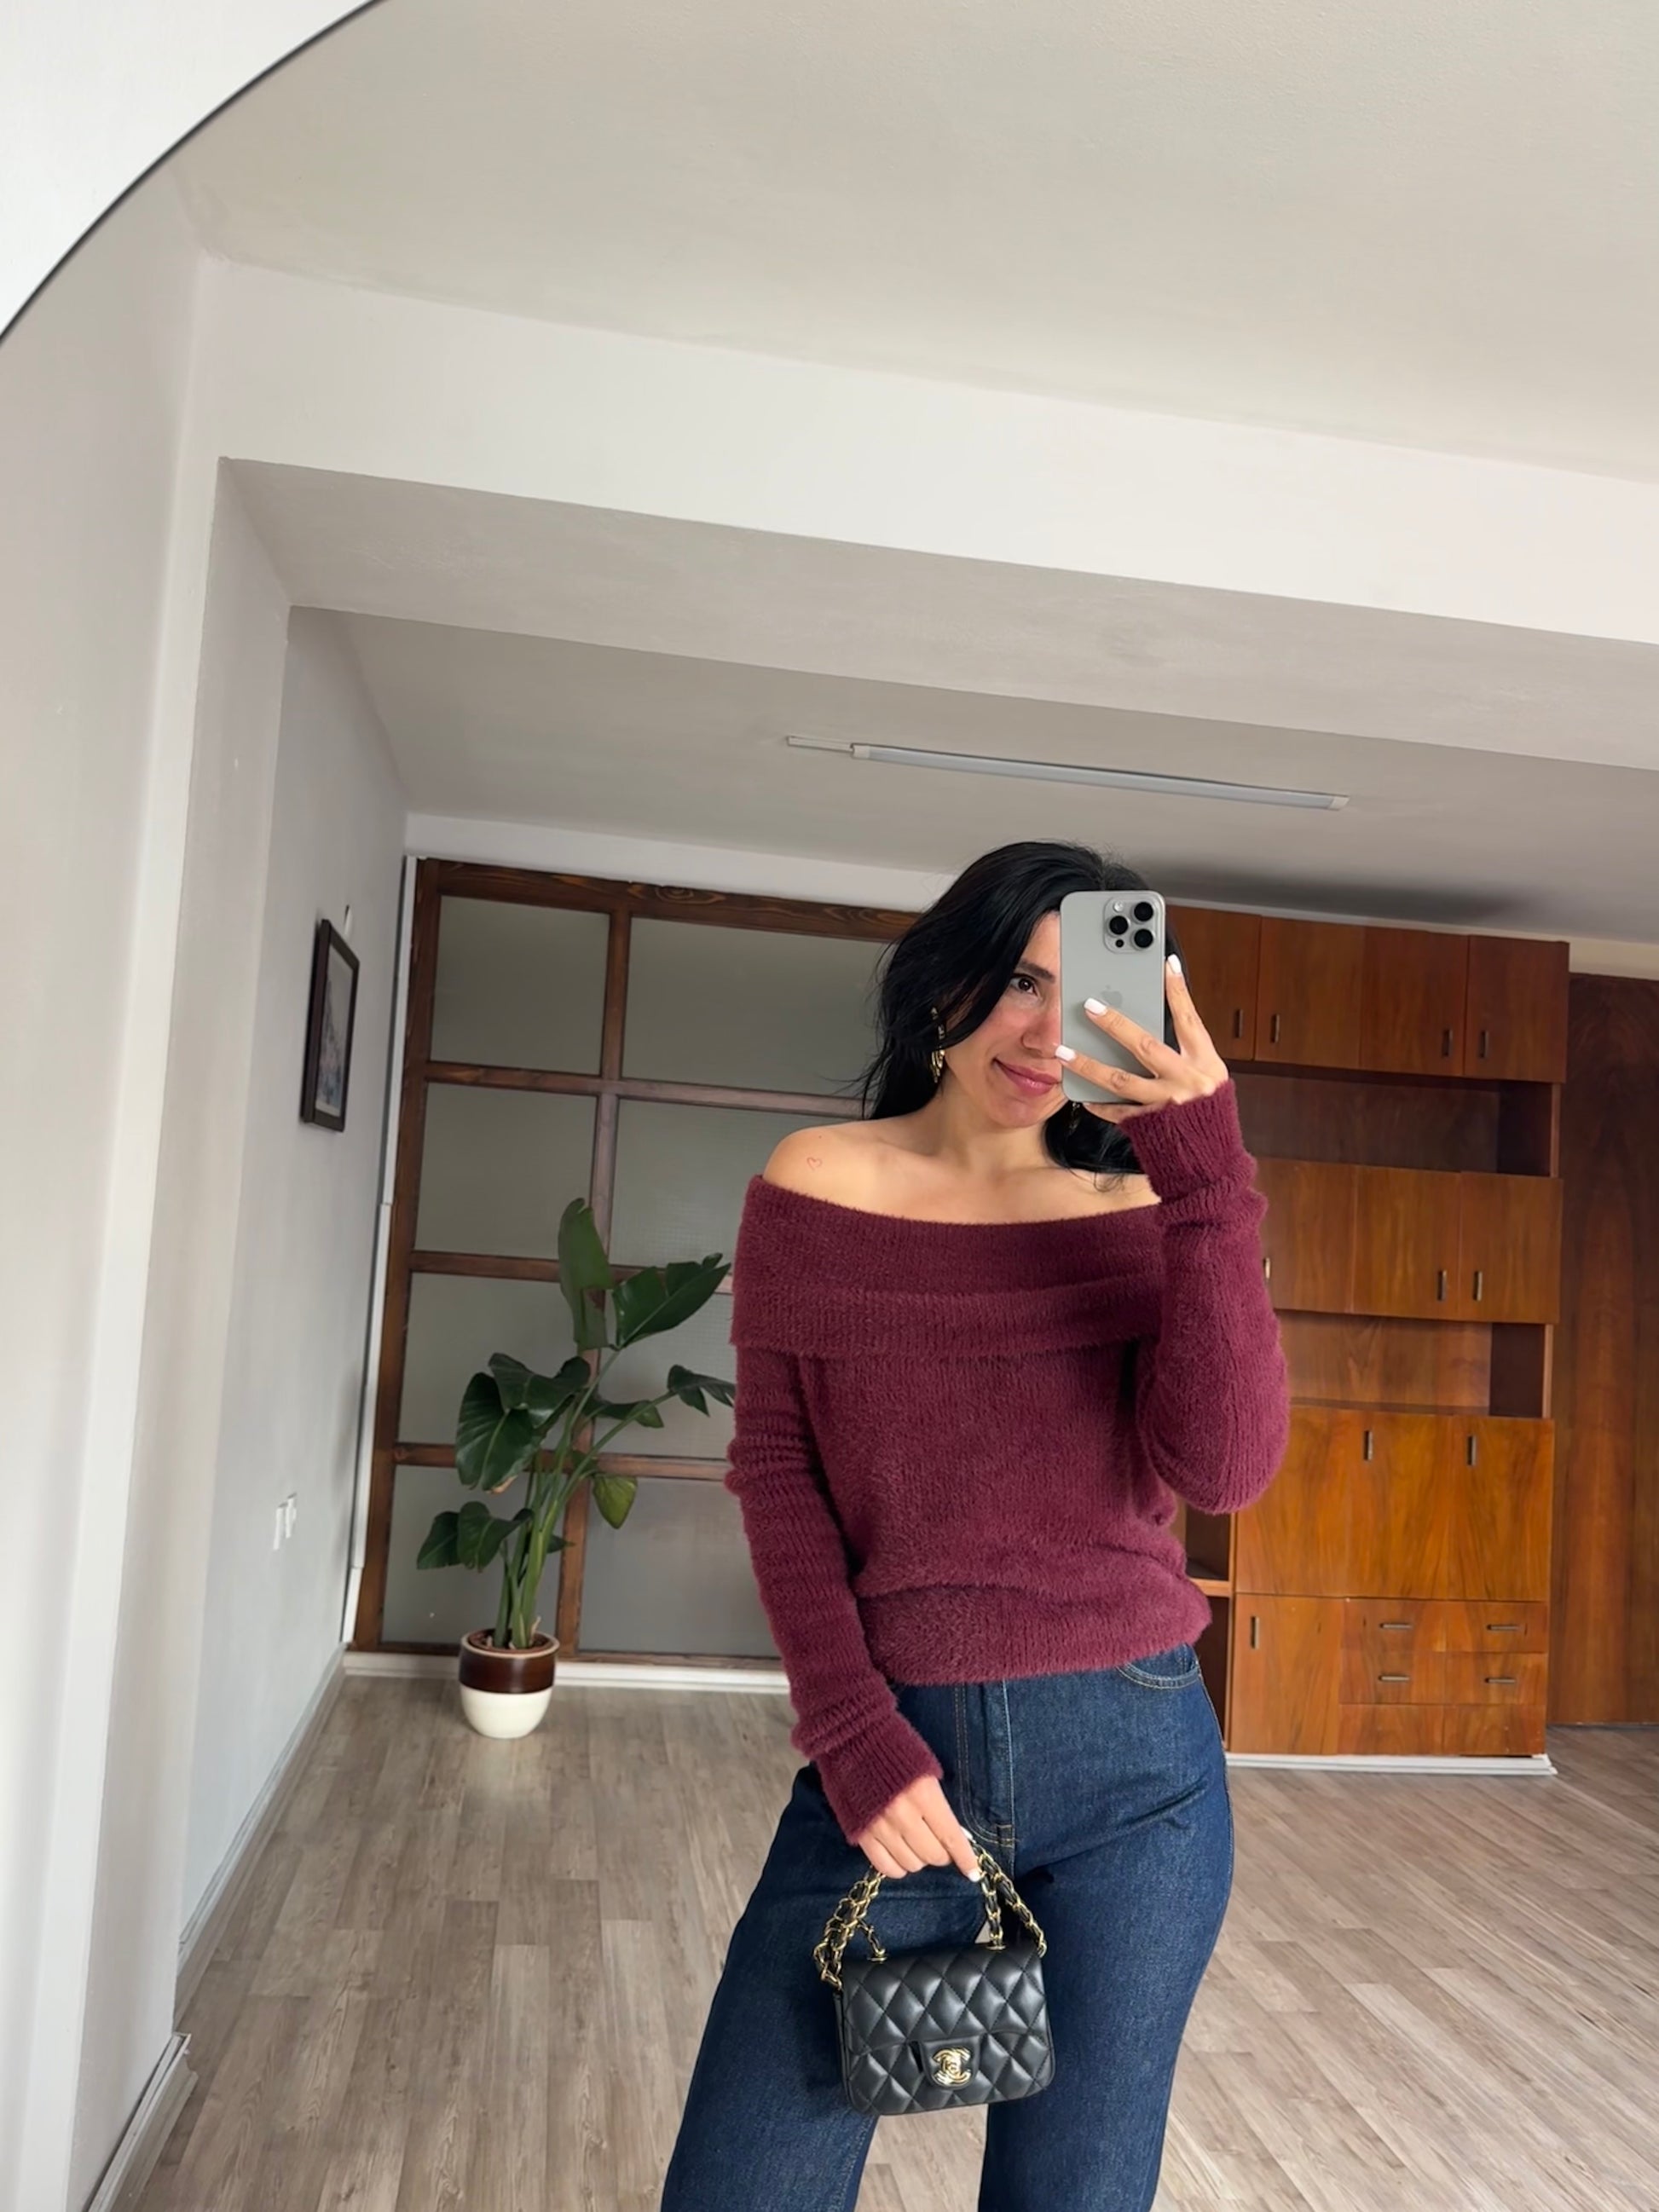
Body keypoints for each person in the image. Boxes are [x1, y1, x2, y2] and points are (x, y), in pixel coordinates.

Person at [659, 840, 1291, 2212]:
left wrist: (1206, 1178)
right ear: (941, 981)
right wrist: (850, 1735)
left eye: (1086, 995)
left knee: (1074, 2192)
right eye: (1017, 980)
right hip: (895, 1761)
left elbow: (1226, 1471)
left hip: (1140, 1784)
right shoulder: (819, 1181)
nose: (1045, 1032)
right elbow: (778, 1470)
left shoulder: (1146, 1209)